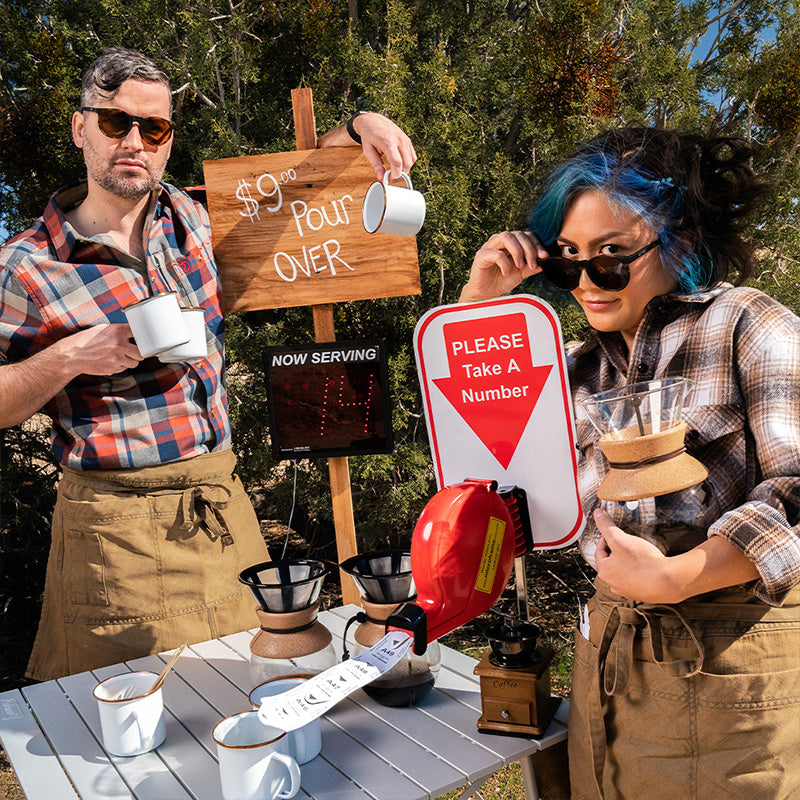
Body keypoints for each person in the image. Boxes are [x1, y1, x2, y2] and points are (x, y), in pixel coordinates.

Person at [0, 47, 417, 682]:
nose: (135, 141)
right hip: (113, 532)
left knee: (252, 688)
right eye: (116, 123)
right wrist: (71, 354)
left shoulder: (196, 217)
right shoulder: (24, 266)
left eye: (154, 127)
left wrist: (361, 126)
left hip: (221, 507)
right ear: (80, 127)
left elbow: (301, 185)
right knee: (136, 731)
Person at [460, 127, 800, 800]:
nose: (587, 282)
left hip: (726, 660)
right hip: (612, 661)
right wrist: (482, 302)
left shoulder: (745, 324)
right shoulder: (573, 370)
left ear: (681, 242)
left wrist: (677, 576)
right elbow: (483, 456)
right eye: (568, 261)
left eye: (612, 257)